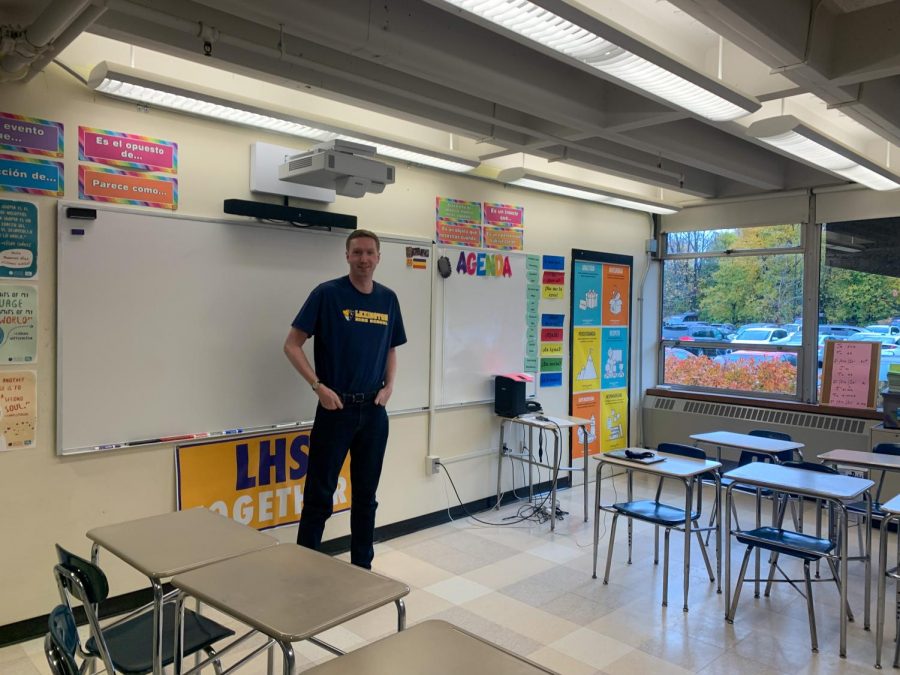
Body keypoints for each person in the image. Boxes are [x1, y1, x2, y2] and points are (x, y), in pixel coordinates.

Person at [284, 229, 406, 569]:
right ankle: (303, 568)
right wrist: (317, 386)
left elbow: (391, 347)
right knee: (319, 497)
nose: (364, 259)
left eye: (370, 253)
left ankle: (362, 569)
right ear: (347, 256)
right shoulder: (327, 294)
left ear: (379, 257)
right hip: (335, 410)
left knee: (366, 498)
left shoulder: (388, 299)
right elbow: (292, 345)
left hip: (374, 411)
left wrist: (389, 386)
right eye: (357, 253)